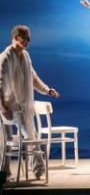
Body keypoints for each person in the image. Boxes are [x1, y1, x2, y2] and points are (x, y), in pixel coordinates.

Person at [0, 25, 60, 180]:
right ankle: (4, 172)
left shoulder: (26, 56)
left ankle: (38, 170)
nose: (28, 40)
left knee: (32, 139)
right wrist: (2, 107)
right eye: (24, 37)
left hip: (23, 108)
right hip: (7, 108)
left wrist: (47, 90)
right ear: (15, 38)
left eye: (28, 37)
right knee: (4, 142)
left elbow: (33, 77)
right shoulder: (5, 58)